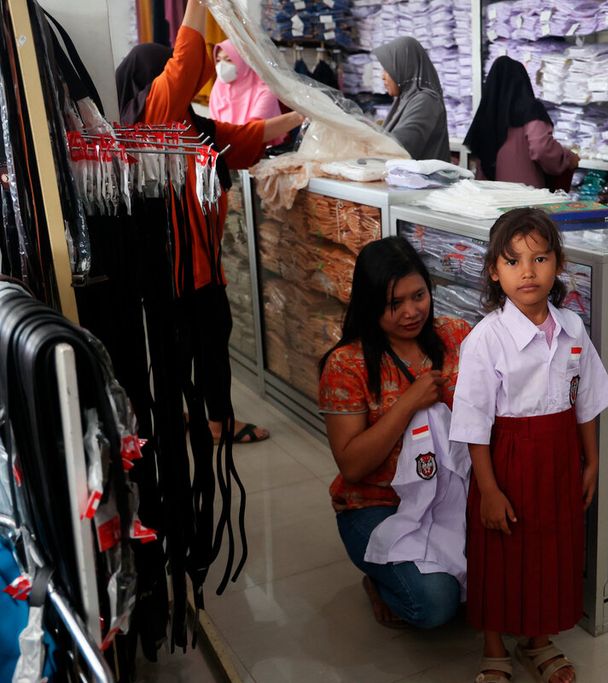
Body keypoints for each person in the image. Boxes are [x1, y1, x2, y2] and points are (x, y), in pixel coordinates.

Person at [116, 0, 300, 444]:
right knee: (188, 350)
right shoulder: (151, 120)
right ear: (149, 80)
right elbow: (183, 68)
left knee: (206, 347)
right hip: (176, 267)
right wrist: (198, 4)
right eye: (161, 74)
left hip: (200, 265)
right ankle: (204, 420)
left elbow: (243, 138)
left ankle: (208, 418)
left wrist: (304, 114)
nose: (173, 81)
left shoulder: (187, 126)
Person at [450, 209, 608, 683]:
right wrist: (488, 490)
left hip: (561, 456)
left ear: (558, 264)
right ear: (492, 271)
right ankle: (494, 648)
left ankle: (539, 640)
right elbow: (473, 422)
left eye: (540, 258)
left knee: (551, 550)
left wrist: (591, 462)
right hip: (506, 460)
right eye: (513, 261)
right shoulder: (486, 339)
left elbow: (585, 398)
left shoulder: (572, 328)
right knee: (500, 552)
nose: (528, 271)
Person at [318, 236, 470, 629]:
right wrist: (407, 403)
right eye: (394, 304)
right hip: (378, 504)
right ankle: (379, 582)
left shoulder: (456, 335)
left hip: (450, 495)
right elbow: (352, 466)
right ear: (371, 305)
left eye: (418, 295)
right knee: (436, 603)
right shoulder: (347, 365)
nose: (410, 312)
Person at [463, 56, 579, 189]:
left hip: (491, 196)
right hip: (524, 195)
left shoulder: (487, 114)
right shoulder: (530, 110)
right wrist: (568, 158)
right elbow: (541, 148)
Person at [372, 37, 450, 161]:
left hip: (424, 180)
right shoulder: (405, 99)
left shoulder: (426, 101)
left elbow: (400, 146)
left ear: (404, 67)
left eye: (387, 69)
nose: (383, 76)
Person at [209, 39, 282, 127]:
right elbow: (214, 124)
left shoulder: (265, 90)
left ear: (243, 61)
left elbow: (255, 129)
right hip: (225, 139)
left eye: (228, 60)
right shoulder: (219, 87)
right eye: (218, 60)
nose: (221, 66)